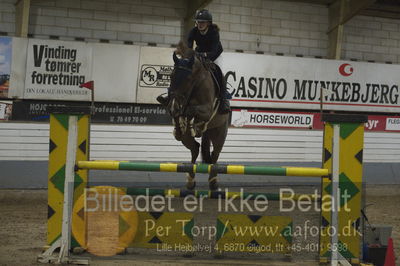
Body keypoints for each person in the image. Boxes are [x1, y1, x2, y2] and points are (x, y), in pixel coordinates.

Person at [157, 9, 230, 114]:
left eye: (203, 22)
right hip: (199, 53)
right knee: (182, 70)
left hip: (215, 55)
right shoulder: (193, 31)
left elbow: (214, 51)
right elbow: (189, 47)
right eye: (198, 22)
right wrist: (187, 56)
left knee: (219, 72)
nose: (200, 24)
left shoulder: (214, 32)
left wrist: (204, 56)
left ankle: (224, 99)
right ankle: (169, 95)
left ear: (208, 23)